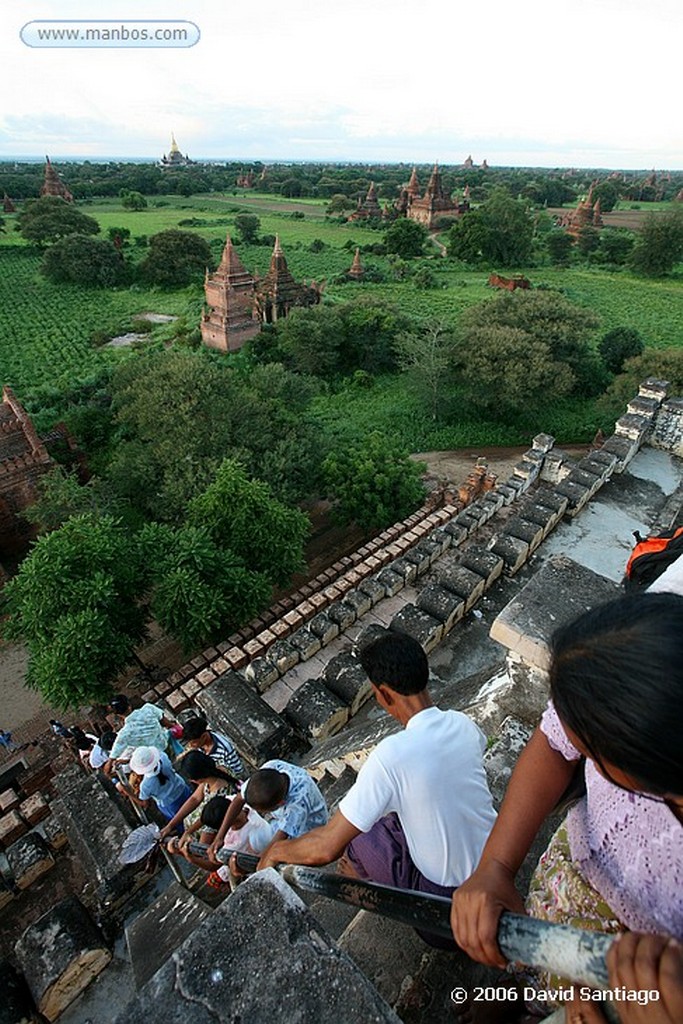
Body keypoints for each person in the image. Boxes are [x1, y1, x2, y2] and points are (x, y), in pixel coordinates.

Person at [450, 593, 683, 1018]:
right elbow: (556, 743)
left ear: (644, 771)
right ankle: (524, 986)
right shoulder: (657, 660)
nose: (570, 744)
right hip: (571, 872)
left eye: (590, 753)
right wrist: (496, 866)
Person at [258, 630, 497, 948]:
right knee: (388, 814)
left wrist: (276, 851)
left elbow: (326, 847)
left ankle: (362, 883)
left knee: (357, 838)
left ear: (383, 695)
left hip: (448, 916)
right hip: (496, 871)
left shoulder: (391, 755)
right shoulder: (464, 725)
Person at [209, 758, 329, 863]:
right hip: (281, 821)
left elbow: (277, 843)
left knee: (282, 859)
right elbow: (238, 799)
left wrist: (256, 863)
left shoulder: (297, 805)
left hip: (310, 830)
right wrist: (220, 837)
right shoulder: (271, 767)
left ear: (280, 803)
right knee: (255, 840)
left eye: (264, 811)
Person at [159, 750, 239, 844]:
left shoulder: (220, 794)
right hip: (196, 826)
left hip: (208, 828)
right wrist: (171, 825)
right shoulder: (213, 771)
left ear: (198, 780)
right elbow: (195, 799)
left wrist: (189, 832)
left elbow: (208, 823)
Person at [117, 745, 193, 824]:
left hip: (170, 804)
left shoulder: (145, 785)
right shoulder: (163, 757)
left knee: (182, 821)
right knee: (194, 807)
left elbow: (144, 803)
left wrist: (129, 793)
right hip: (181, 788)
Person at [104, 695, 175, 771]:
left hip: (153, 761)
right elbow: (167, 723)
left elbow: (113, 755)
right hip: (168, 747)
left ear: (117, 714)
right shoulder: (149, 709)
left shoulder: (124, 734)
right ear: (129, 705)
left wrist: (110, 763)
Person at [180, 716, 246, 780]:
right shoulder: (199, 747)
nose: (190, 746)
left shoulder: (225, 749)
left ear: (204, 736)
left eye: (193, 742)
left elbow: (238, 772)